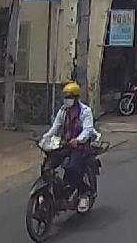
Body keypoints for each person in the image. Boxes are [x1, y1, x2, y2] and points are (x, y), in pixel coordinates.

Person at [42, 82, 100, 213]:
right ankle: (49, 192)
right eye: (65, 97)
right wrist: (44, 138)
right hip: (65, 144)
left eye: (69, 97)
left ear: (76, 98)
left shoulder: (85, 111)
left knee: (72, 168)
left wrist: (78, 140)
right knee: (48, 164)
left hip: (80, 147)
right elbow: (55, 127)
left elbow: (88, 129)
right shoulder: (63, 111)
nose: (66, 99)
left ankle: (84, 193)